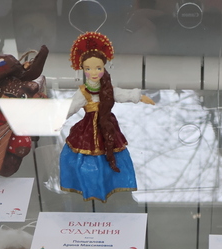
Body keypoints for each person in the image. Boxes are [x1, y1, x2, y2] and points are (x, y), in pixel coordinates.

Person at [60, 32, 155, 202]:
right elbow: (71, 107)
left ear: (104, 68)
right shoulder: (82, 92)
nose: (93, 72)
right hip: (87, 130)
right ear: (82, 70)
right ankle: (90, 187)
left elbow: (122, 94)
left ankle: (111, 183)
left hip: (108, 127)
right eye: (88, 69)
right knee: (86, 159)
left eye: (98, 68)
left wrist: (139, 97)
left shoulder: (109, 89)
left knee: (114, 155)